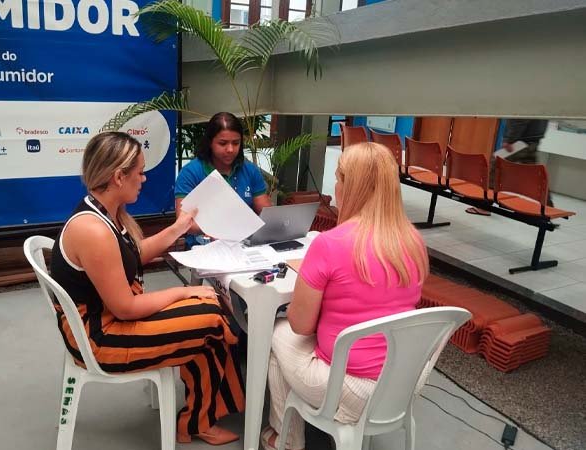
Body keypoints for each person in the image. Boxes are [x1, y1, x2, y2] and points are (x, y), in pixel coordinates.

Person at [49, 131, 245, 445]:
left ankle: (202, 414)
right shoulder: (93, 231)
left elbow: (133, 255)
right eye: (139, 172)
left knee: (213, 310)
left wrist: (179, 227)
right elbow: (126, 308)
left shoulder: (103, 213)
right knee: (213, 317)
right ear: (118, 177)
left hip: (107, 319)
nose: (143, 179)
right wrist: (185, 292)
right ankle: (198, 421)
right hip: (100, 338)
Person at [260, 142, 429, 450]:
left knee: (279, 333)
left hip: (347, 387)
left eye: (338, 179)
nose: (335, 187)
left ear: (349, 187)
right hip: (403, 382)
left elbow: (301, 325)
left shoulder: (329, 244)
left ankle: (286, 439)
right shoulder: (413, 241)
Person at [175, 112, 272, 246]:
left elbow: (266, 214)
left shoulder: (250, 170)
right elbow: (183, 222)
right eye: (223, 143)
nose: (230, 149)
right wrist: (219, 229)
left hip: (243, 246)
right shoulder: (191, 172)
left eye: (236, 143)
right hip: (203, 248)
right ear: (210, 142)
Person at [466, 118, 551, 215]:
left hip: (519, 142)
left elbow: (520, 118)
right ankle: (548, 208)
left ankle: (484, 205)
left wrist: (509, 139)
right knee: (536, 176)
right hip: (533, 139)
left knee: (496, 167)